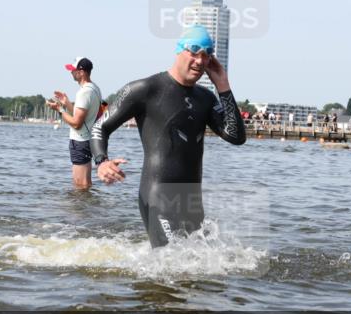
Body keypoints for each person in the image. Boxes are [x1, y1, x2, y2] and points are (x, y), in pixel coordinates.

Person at [90, 25, 246, 247]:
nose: (200, 61)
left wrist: (223, 85)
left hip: (192, 202)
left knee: (196, 266)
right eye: (194, 52)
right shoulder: (145, 89)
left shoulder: (206, 98)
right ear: (179, 50)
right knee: (173, 261)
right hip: (158, 198)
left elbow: (236, 136)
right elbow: (100, 127)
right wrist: (102, 161)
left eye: (206, 55)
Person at [49, 57, 102, 190]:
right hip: (87, 140)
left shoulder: (84, 92)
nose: (71, 72)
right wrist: (66, 103)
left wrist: (59, 110)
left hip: (80, 141)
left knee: (81, 185)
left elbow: (77, 123)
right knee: (84, 184)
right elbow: (81, 117)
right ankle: (87, 203)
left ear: (82, 72)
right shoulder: (94, 88)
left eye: (73, 70)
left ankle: (82, 204)